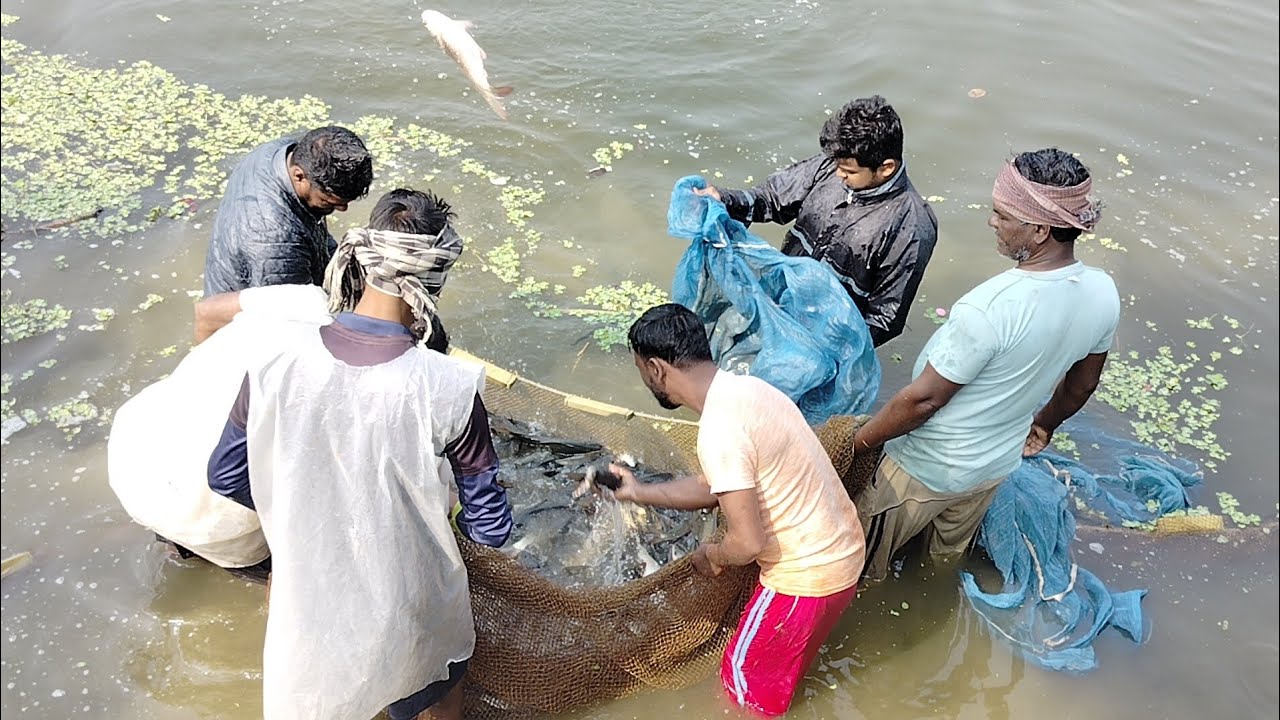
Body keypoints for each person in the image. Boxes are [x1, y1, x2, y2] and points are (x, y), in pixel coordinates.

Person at [206, 188, 509, 720]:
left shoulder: (276, 359)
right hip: (412, 604)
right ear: (434, 279)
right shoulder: (450, 387)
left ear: (363, 259)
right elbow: (489, 528)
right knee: (431, 688)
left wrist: (298, 513)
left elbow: (226, 475)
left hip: (307, 591)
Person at [850, 148, 1118, 581]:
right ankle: (935, 595)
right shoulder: (1103, 292)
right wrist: (1044, 424)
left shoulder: (992, 308)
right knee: (941, 560)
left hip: (923, 468)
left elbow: (923, 401)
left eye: (1003, 215)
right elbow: (1082, 385)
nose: (993, 222)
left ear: (1040, 229)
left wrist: (858, 443)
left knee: (862, 563)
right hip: (991, 469)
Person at [606, 303, 865, 717]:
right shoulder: (748, 391)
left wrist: (712, 554)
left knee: (739, 690)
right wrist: (638, 491)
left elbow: (746, 544)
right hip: (844, 559)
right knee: (776, 680)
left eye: (642, 370)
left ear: (656, 369)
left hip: (803, 582)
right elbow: (713, 486)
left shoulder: (719, 430)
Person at [696, 96, 937, 346]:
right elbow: (772, 198)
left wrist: (827, 351)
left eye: (849, 171)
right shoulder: (835, 164)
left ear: (886, 168)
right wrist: (724, 199)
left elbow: (884, 319)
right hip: (781, 301)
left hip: (830, 335)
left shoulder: (912, 227)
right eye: (837, 165)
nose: (838, 174)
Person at [202, 125, 374, 296]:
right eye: (328, 202)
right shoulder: (277, 243)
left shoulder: (279, 151)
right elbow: (294, 307)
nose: (343, 209)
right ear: (299, 176)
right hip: (252, 301)